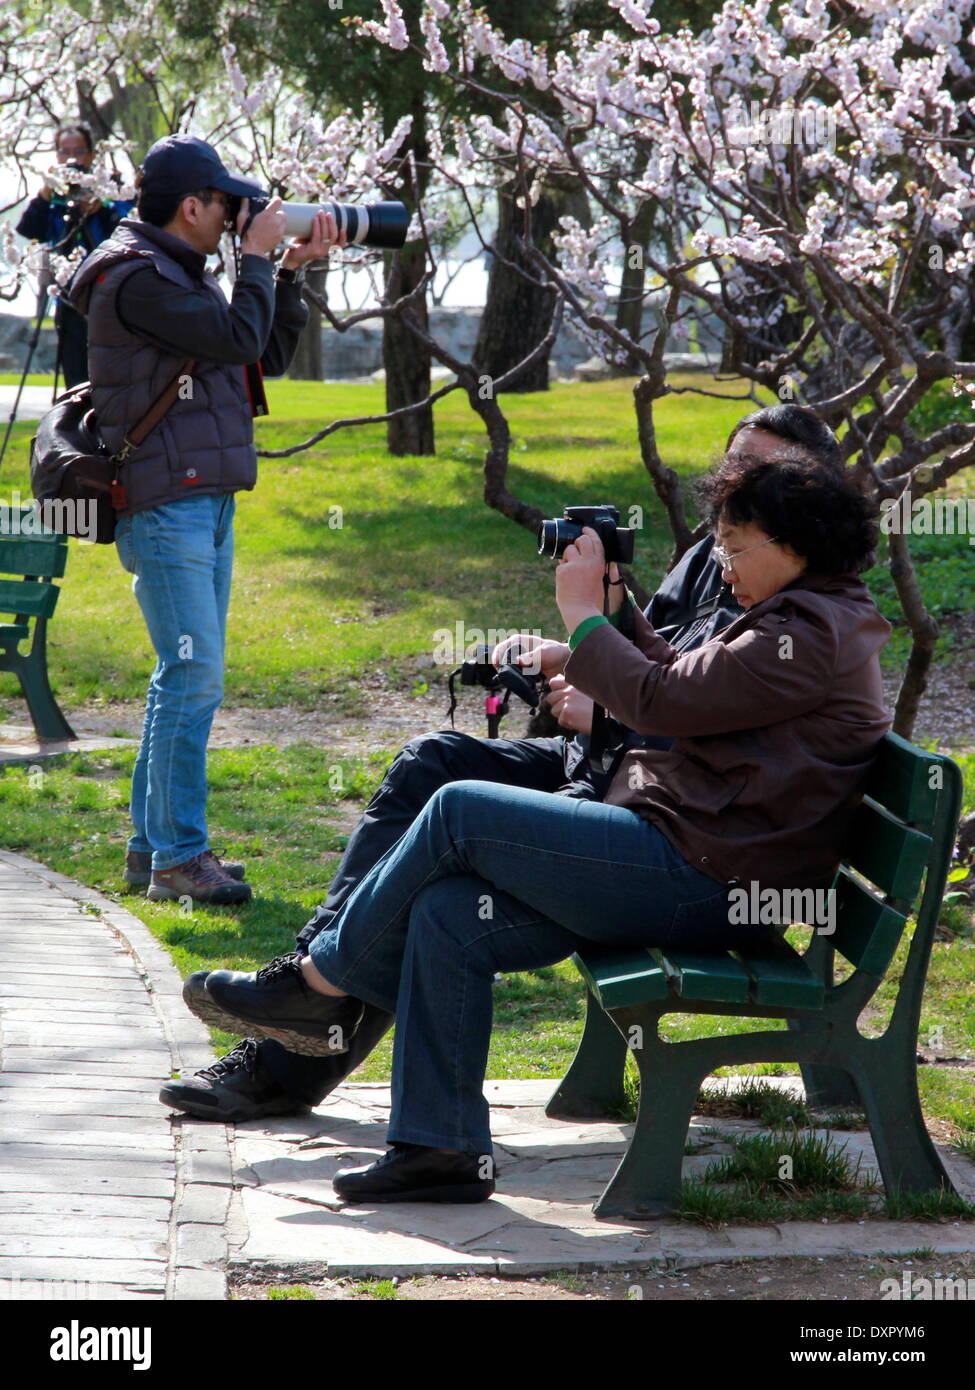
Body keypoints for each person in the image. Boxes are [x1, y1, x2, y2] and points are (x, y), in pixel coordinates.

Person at [180, 448, 890, 1205]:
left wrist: (582, 614)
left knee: (459, 805)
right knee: (447, 913)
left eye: (734, 544)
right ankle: (439, 1148)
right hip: (693, 856)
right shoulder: (798, 616)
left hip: (708, 879)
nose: (720, 561)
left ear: (793, 546)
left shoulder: (807, 632)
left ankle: (316, 986)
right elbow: (681, 683)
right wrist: (617, 613)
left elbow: (658, 705)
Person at [67, 134, 344, 904]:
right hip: (166, 506)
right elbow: (234, 335)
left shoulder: (175, 272)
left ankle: (151, 847)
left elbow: (259, 354)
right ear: (192, 206)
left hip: (200, 500)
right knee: (193, 676)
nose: (235, 216)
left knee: (179, 677)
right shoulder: (137, 276)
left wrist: (281, 273)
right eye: (224, 204)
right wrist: (255, 263)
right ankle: (179, 858)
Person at [15, 121, 134, 386]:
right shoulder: (54, 198)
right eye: (64, 151)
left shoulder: (110, 188)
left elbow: (130, 228)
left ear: (92, 155)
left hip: (110, 301)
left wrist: (100, 208)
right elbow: (29, 229)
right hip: (69, 302)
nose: (71, 159)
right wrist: (46, 192)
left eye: (79, 151)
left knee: (111, 380)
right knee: (76, 381)